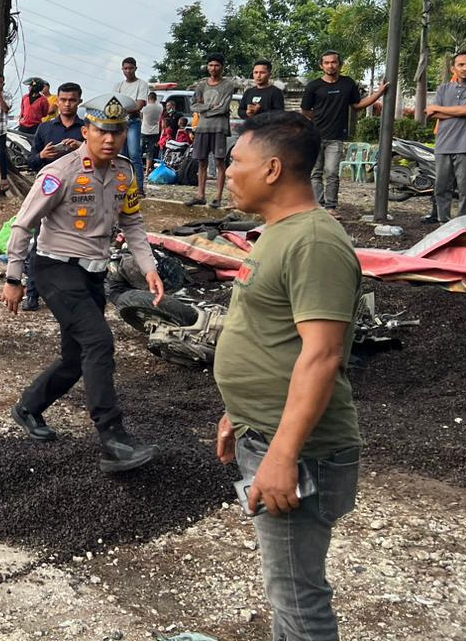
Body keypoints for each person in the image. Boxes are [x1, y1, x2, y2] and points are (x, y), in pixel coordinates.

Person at [215, 111, 362, 640]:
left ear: (272, 168)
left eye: (237, 161)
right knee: (289, 593)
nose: (228, 171)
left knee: (299, 600)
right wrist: (240, 412)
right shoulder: (279, 233)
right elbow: (271, 334)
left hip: (301, 452)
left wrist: (282, 453)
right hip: (267, 431)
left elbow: (322, 356)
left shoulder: (315, 242)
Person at [1, 94, 164, 474]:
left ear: (125, 133)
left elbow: (133, 224)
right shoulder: (62, 172)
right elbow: (23, 224)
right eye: (102, 131)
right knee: (99, 343)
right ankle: (113, 440)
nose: (109, 139)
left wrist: (149, 267)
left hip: (92, 272)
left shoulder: (124, 172)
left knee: (77, 358)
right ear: (87, 131)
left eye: (117, 131)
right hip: (55, 270)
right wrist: (13, 277)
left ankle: (28, 407)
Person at [301, 52, 387, 217]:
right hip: (314, 136)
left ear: (339, 64)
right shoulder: (313, 86)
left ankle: (331, 208)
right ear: (321, 66)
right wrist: (318, 117)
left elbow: (357, 105)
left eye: (333, 62)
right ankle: (318, 207)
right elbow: (305, 110)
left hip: (336, 136)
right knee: (315, 173)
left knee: (332, 172)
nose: (330, 66)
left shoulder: (348, 84)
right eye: (326, 63)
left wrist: (379, 92)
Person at [22, 83, 84, 312]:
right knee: (39, 243)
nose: (67, 104)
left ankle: (71, 295)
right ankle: (32, 294)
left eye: (72, 100)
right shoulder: (45, 129)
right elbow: (29, 162)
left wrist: (82, 147)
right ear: (57, 102)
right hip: (47, 192)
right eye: (64, 100)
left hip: (78, 193)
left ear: (79, 101)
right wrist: (42, 155)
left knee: (76, 245)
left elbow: (101, 161)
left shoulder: (86, 130)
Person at [189, 54, 241, 208]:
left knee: (219, 161)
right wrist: (210, 107)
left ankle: (218, 197)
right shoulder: (201, 85)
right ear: (207, 66)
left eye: (216, 65)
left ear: (222, 67)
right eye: (210, 65)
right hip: (203, 127)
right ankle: (200, 195)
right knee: (202, 161)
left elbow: (224, 107)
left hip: (219, 127)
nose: (213, 68)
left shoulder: (227, 85)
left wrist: (204, 109)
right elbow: (193, 106)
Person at [427, 49, 466, 221]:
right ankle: (443, 223)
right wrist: (462, 112)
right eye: (461, 65)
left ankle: (464, 227)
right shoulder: (443, 89)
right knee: (441, 188)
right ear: (454, 68)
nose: (465, 68)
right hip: (443, 146)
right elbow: (431, 113)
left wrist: (439, 109)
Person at [115, 57, 150, 178]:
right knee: (121, 155)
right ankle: (122, 185)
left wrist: (121, 110)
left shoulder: (142, 84)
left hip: (133, 121)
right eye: (125, 68)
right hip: (119, 123)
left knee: (134, 154)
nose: (128, 71)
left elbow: (138, 106)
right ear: (122, 69)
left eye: (130, 68)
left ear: (135, 68)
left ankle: (139, 187)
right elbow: (114, 104)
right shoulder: (118, 86)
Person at [140, 91, 164, 179]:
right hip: (155, 132)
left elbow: (141, 116)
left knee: (140, 151)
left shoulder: (145, 107)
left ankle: (137, 170)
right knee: (150, 152)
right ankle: (147, 172)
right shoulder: (160, 107)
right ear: (156, 98)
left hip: (144, 130)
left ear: (149, 98)